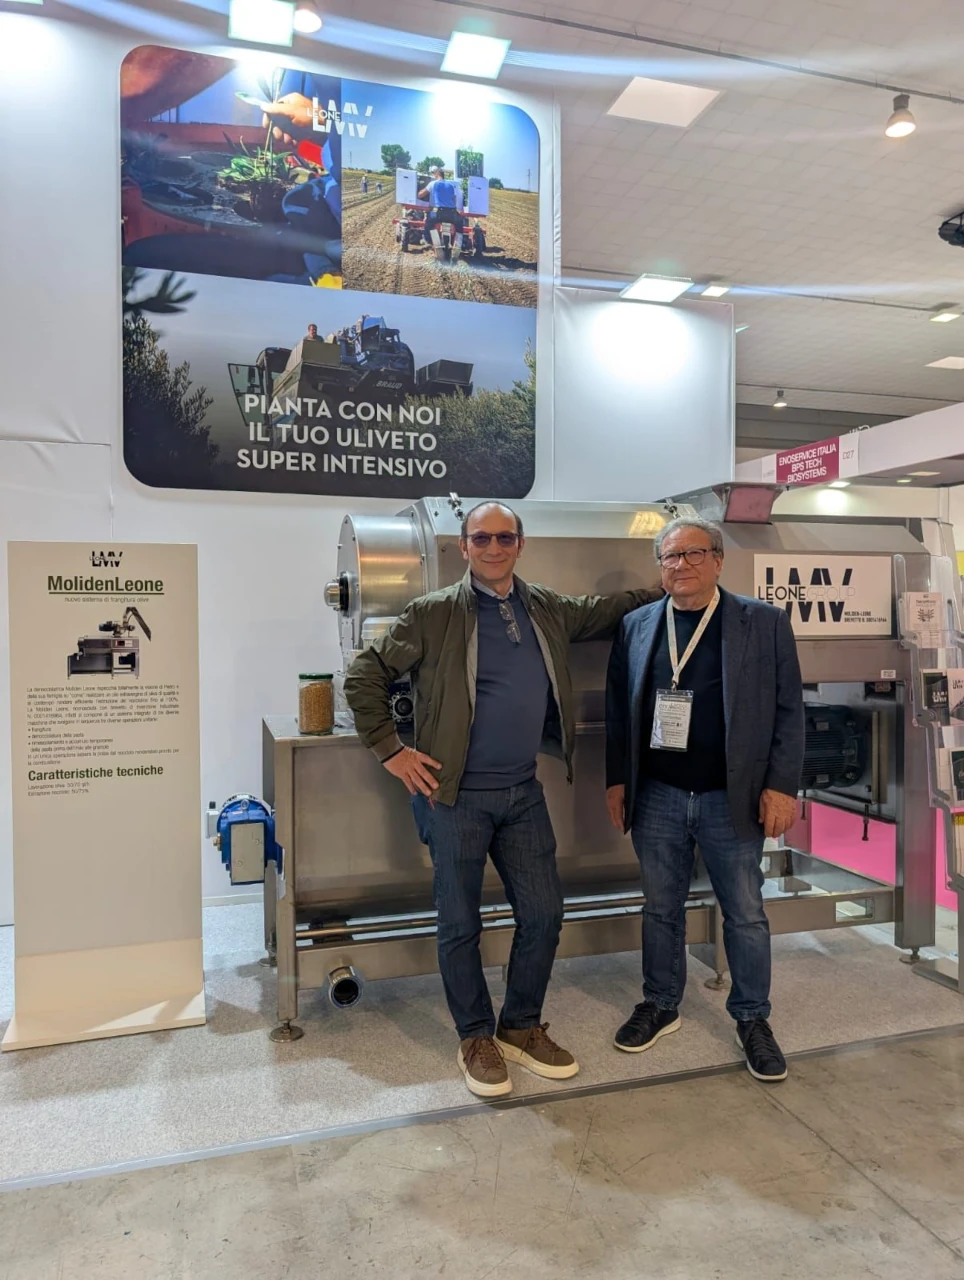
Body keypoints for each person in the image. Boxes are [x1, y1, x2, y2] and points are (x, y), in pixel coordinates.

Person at [344, 502, 662, 1099]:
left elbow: (604, 611)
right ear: (464, 547)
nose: (494, 547)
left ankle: (519, 1025)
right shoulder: (433, 612)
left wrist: (667, 586)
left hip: (522, 793)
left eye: (505, 538)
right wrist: (392, 751)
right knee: (459, 923)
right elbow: (365, 674)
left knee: (544, 914)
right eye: (482, 538)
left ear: (521, 544)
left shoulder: (544, 606)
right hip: (453, 797)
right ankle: (474, 1036)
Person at [605, 516, 804, 1083]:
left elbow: (789, 710)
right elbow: (619, 711)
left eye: (694, 553)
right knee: (660, 907)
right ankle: (661, 1002)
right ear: (660, 566)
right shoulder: (638, 625)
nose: (682, 565)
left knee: (745, 912)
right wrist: (618, 781)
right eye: (670, 556)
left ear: (718, 560)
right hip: (658, 795)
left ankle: (752, 1018)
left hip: (731, 796)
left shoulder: (762, 622)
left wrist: (782, 786)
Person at [418, 166, 465, 244]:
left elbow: (421, 195)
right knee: (459, 222)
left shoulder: (433, 184)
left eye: (434, 174)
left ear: (437, 174)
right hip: (451, 213)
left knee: (428, 221)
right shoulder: (451, 186)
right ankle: (459, 242)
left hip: (437, 213)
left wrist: (418, 193)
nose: (434, 175)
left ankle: (427, 239)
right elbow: (454, 200)